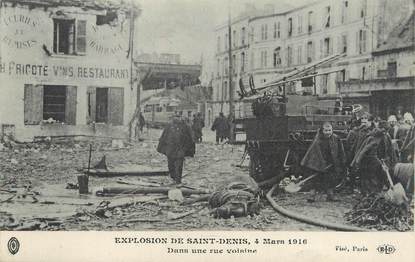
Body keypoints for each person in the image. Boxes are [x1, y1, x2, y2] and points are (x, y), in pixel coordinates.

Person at [301, 122, 346, 202]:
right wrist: (321, 165)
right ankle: (312, 195)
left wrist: (342, 161)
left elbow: (340, 151)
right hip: (318, 163)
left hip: (331, 162)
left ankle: (330, 195)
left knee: (331, 179)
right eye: (326, 130)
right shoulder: (318, 140)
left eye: (330, 130)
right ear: (322, 131)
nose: (328, 132)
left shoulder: (336, 138)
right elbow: (314, 154)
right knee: (315, 180)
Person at [351, 120, 397, 195]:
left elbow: (390, 150)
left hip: (381, 160)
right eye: (384, 130)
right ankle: (369, 194)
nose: (385, 132)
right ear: (379, 128)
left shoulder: (386, 136)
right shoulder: (373, 137)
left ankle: (377, 192)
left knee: (381, 177)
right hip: (369, 161)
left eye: (386, 131)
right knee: (370, 178)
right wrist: (357, 161)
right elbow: (364, 151)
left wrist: (391, 161)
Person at [157, 113, 195, 184]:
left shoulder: (184, 126)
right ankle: (175, 179)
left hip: (177, 149)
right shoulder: (170, 126)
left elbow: (190, 138)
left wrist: (188, 150)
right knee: (174, 165)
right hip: (173, 149)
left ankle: (177, 180)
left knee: (176, 165)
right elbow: (164, 137)